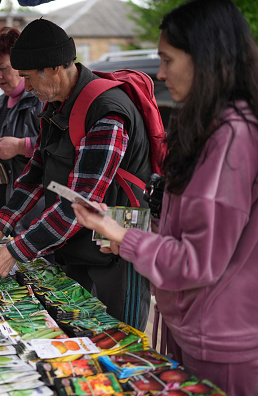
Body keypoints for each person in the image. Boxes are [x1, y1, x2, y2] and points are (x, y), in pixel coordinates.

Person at [72, 1, 258, 394]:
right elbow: (185, 228)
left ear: (206, 59)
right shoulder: (208, 125)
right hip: (192, 326)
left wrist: (122, 235)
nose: (161, 73)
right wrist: (123, 230)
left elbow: (197, 260)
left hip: (221, 341)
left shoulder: (232, 137)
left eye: (168, 59)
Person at [0, 18, 152, 331]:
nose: (26, 86)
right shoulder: (54, 104)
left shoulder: (106, 113)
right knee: (76, 339)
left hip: (116, 250)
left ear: (54, 68)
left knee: (119, 342)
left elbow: (79, 204)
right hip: (74, 246)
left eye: (27, 77)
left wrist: (12, 252)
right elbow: (35, 172)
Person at [0, 27, 44, 233]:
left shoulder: (39, 102)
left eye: (3, 68)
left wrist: (21, 146)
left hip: (28, 211)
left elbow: (54, 146)